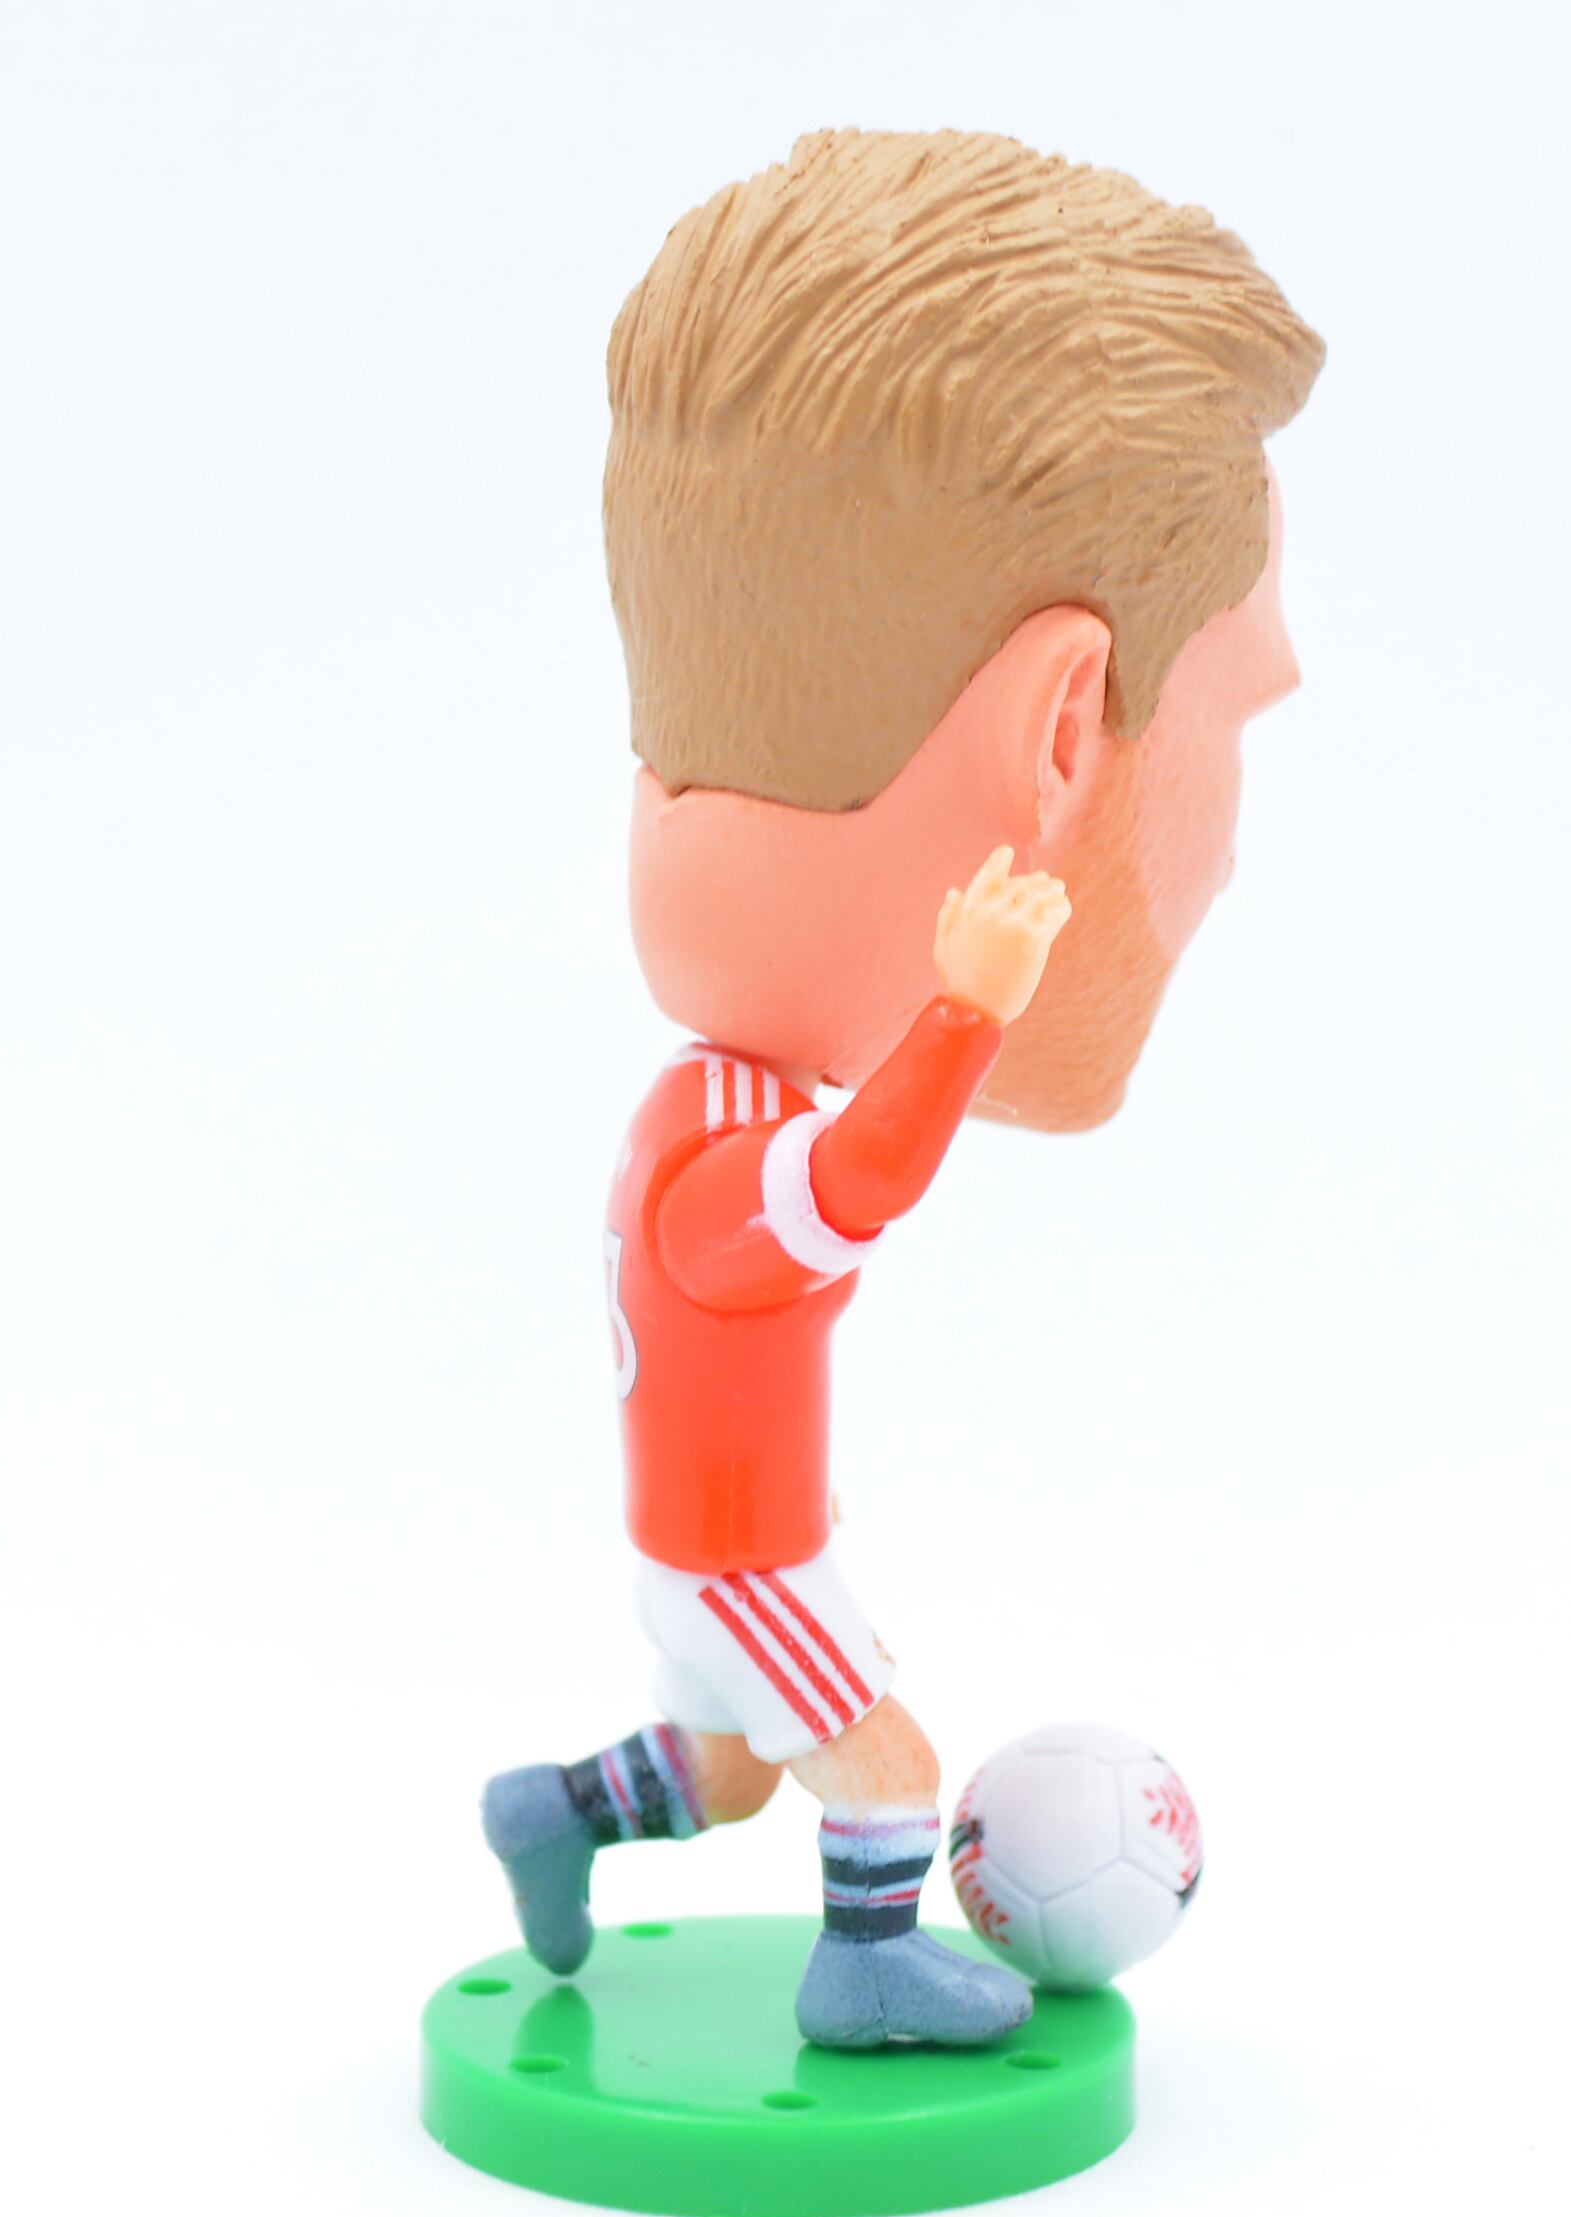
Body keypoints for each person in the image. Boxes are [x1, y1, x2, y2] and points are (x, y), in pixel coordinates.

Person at [485, 129, 1324, 2049]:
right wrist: (967, 1006)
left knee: (724, 1770)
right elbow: (852, 1185)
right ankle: (864, 1966)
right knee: (877, 1759)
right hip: (736, 1555)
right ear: (1061, 735)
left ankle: (548, 1814)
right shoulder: (722, 1158)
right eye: (1234, 722)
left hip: (718, 1540)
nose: (1233, 847)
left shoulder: (695, 1108)